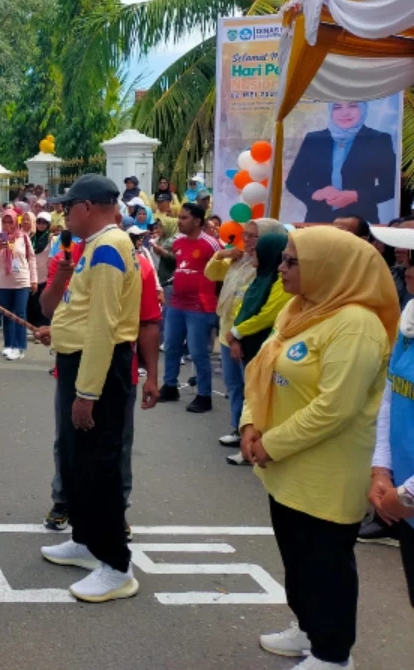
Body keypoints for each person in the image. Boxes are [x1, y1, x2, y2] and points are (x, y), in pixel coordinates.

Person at [240, 227, 396, 669]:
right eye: (283, 259)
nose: (281, 268)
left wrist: (272, 443)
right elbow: (262, 367)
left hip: (326, 472)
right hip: (285, 466)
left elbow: (335, 408)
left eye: (292, 262)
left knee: (326, 565)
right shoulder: (300, 308)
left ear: (329, 269)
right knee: (298, 559)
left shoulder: (357, 326)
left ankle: (332, 654)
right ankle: (308, 628)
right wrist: (250, 422)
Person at [39, 175, 141, 603]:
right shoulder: (97, 245)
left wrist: (87, 394)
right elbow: (86, 311)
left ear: (86, 206)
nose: (64, 214)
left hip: (96, 367)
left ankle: (116, 566)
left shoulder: (108, 248)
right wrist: (60, 330)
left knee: (100, 466)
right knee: (78, 460)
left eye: (68, 206)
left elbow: (104, 325)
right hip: (80, 361)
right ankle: (85, 540)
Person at [205, 219, 287, 458]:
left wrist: (238, 335)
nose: (247, 240)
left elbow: (265, 312)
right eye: (245, 235)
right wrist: (220, 255)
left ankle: (253, 437)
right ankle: (238, 428)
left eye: (253, 236)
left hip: (248, 337)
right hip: (230, 332)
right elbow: (211, 274)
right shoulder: (240, 260)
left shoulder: (273, 270)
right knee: (233, 384)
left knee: (252, 389)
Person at [365, 223, 414, 605]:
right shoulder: (409, 314)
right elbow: (391, 395)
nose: (405, 269)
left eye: (413, 261)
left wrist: (407, 495)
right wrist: (382, 469)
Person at [286, 101, 397, 224]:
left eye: (352, 106)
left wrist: (355, 196)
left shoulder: (378, 139)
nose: (344, 113)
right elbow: (293, 183)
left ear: (363, 109)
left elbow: (391, 187)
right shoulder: (314, 139)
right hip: (318, 222)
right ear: (331, 111)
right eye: (337, 107)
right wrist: (316, 193)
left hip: (361, 223)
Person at [158, 203, 221, 412]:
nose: (180, 221)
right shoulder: (178, 242)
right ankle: (170, 386)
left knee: (198, 352)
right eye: (180, 217)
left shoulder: (211, 244)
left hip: (199, 307)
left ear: (197, 221)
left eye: (184, 218)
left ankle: (204, 395)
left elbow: (222, 273)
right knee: (171, 346)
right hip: (177, 303)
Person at [0, 209, 37, 361]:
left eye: (11, 222)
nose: (8, 225)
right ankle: (9, 344)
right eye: (5, 222)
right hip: (3, 282)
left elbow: (31, 259)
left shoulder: (23, 237)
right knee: (7, 314)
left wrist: (34, 280)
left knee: (20, 314)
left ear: (16, 222)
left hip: (21, 280)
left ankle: (20, 347)